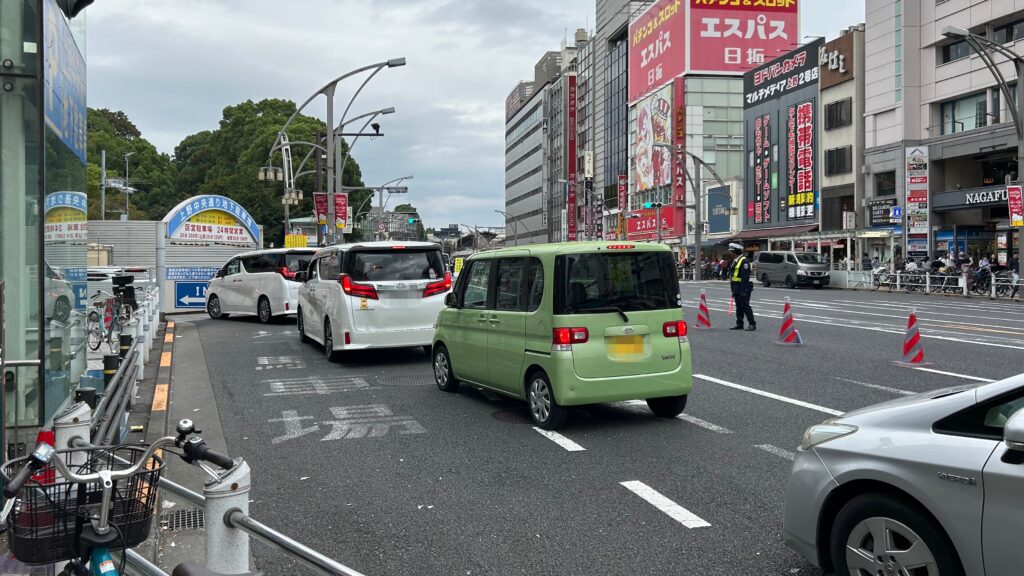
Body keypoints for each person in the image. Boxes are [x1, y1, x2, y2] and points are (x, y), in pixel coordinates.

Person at [728, 243, 755, 331]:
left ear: (735, 252)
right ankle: (739, 323)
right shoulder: (735, 261)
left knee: (745, 306)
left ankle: (752, 324)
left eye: (731, 251)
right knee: (739, 306)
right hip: (736, 287)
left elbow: (745, 277)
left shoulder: (744, 261)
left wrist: (744, 290)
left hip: (743, 287)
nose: (730, 253)